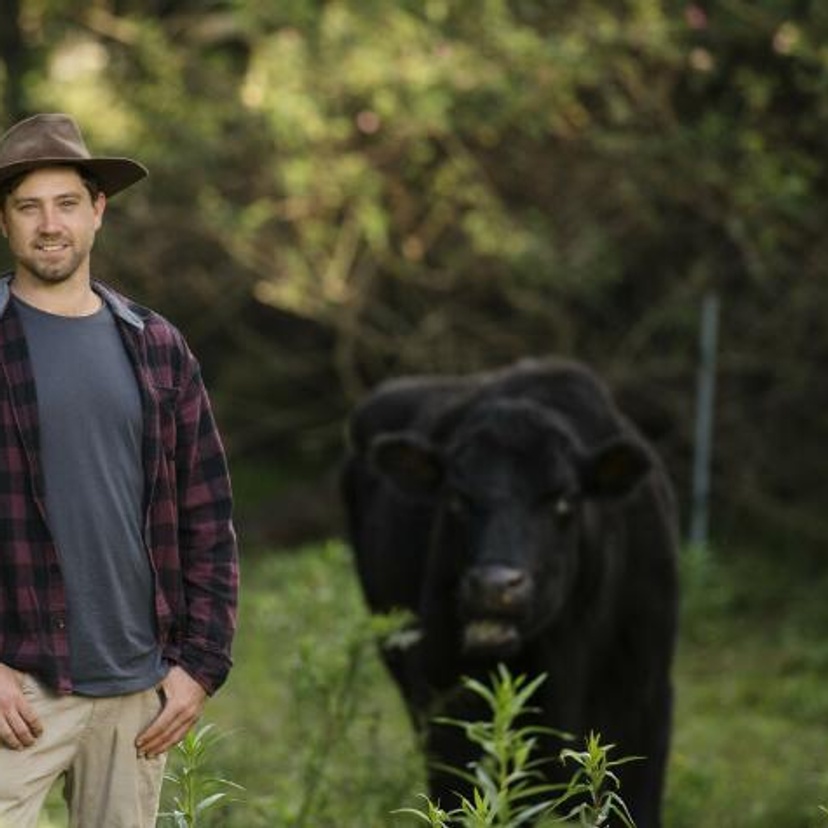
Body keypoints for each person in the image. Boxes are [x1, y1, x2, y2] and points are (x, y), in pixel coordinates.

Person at [0, 113, 239, 827]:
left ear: (97, 211)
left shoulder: (157, 346)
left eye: (67, 203)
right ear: (4, 221)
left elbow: (207, 517)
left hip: (138, 691)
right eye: (28, 207)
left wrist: (200, 665)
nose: (50, 225)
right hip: (17, 688)